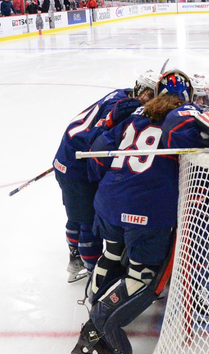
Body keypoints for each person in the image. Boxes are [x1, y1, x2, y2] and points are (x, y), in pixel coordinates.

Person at [72, 71, 209, 354]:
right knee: (143, 275)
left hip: (109, 199)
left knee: (111, 253)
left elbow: (98, 153)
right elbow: (195, 135)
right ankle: (99, 326)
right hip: (146, 208)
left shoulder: (134, 115)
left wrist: (115, 185)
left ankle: (93, 303)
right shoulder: (183, 114)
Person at [53, 69, 159, 283]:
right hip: (77, 164)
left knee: (76, 215)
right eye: (148, 94)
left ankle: (76, 255)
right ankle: (93, 273)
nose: (150, 99)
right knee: (87, 221)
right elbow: (99, 140)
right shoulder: (126, 109)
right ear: (140, 90)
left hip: (67, 156)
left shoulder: (122, 94)